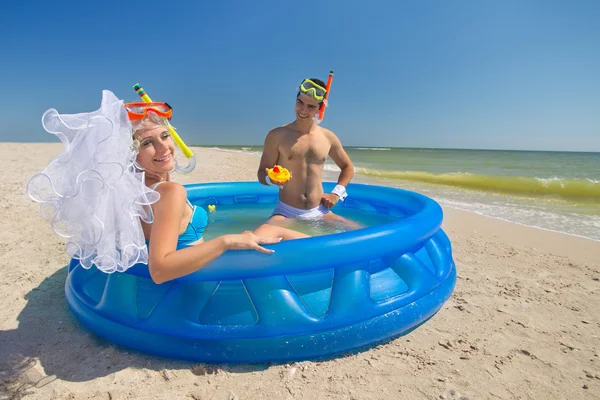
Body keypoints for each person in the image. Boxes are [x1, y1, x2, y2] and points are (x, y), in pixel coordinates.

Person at [27, 90, 307, 285]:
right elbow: (160, 270)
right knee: (280, 233)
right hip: (204, 277)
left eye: (164, 136)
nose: (164, 147)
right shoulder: (169, 193)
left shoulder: (133, 188)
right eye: (147, 143)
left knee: (271, 229)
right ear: (131, 153)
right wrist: (227, 240)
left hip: (196, 263)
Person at [257, 78, 357, 225]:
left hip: (320, 211)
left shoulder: (328, 137)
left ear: (320, 109)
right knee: (260, 241)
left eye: (310, 106)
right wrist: (271, 179)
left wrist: (336, 193)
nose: (303, 110)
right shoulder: (277, 135)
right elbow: (261, 173)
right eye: (300, 103)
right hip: (286, 212)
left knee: (358, 232)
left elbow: (348, 167)